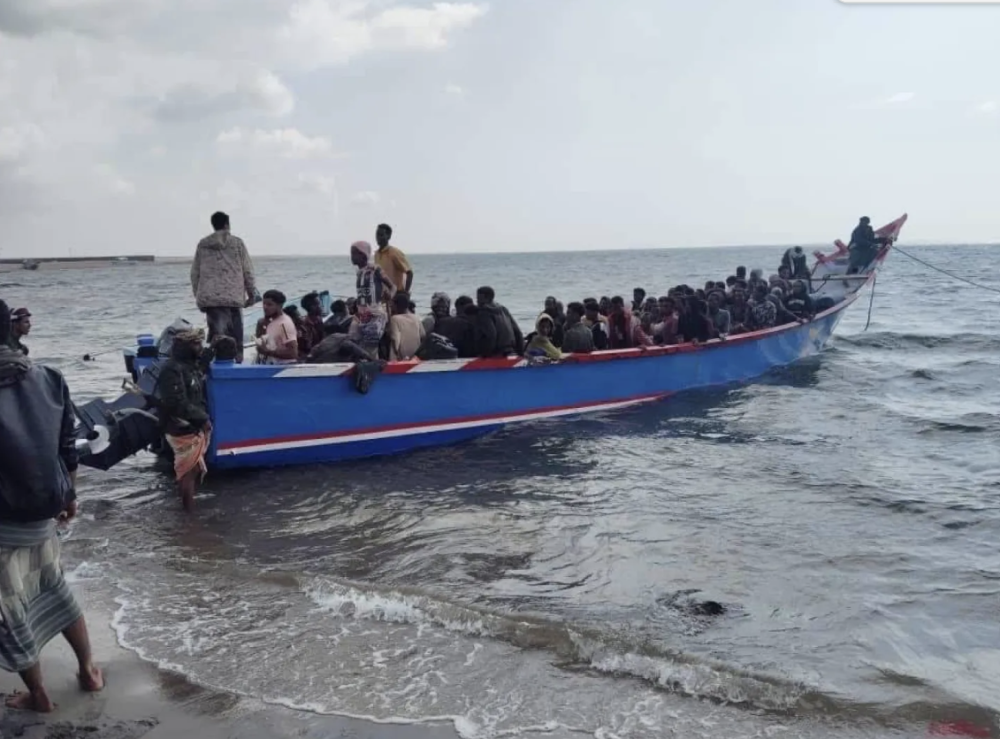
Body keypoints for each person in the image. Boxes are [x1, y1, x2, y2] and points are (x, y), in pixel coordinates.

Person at [0, 300, 104, 711]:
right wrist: (70, 495)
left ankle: (39, 694)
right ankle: (88, 670)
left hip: (4, 518)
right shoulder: (49, 376)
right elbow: (67, 447)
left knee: (10, 606)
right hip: (45, 507)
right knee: (54, 586)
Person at [155, 329, 212, 512]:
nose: (200, 347)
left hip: (191, 425)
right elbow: (175, 402)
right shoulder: (171, 369)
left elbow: (198, 372)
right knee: (188, 471)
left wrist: (210, 352)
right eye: (196, 344)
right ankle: (188, 514)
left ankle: (187, 509)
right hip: (181, 427)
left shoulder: (188, 365)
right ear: (184, 347)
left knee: (192, 469)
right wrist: (202, 418)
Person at [190, 211, 257, 363]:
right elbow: (247, 271)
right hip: (233, 298)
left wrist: (199, 297)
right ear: (227, 224)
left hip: (211, 299)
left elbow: (195, 274)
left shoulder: (203, 244)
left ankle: (217, 368)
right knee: (236, 340)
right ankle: (237, 365)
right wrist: (252, 294)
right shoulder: (237, 243)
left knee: (218, 338)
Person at [349, 240, 395, 354]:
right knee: (353, 343)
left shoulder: (375, 269)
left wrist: (390, 295)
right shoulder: (359, 272)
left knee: (369, 349)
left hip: (375, 315)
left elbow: (393, 286)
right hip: (361, 316)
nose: (352, 256)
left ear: (363, 254)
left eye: (354, 253)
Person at [475, 286, 523, 357]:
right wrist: (521, 352)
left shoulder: (484, 312)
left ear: (487, 298)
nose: (477, 301)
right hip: (509, 350)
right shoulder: (503, 309)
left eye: (478, 298)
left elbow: (491, 334)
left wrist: (485, 354)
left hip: (495, 353)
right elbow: (517, 332)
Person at [254, 290, 298, 365]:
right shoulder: (265, 322)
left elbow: (293, 353)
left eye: (269, 304)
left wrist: (267, 352)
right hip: (268, 365)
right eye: (264, 304)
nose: (265, 307)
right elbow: (261, 345)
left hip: (282, 367)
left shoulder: (284, 324)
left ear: (279, 306)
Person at [374, 224, 413, 299]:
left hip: (396, 295)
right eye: (377, 235)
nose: (378, 238)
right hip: (383, 296)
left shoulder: (394, 252)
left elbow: (409, 272)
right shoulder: (376, 254)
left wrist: (405, 293)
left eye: (381, 235)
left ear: (388, 236)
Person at [388, 292, 425, 361]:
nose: (392, 307)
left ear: (396, 305)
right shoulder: (416, 317)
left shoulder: (395, 319)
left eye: (392, 305)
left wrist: (397, 355)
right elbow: (423, 335)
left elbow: (395, 339)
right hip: (415, 357)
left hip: (401, 358)